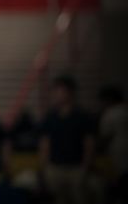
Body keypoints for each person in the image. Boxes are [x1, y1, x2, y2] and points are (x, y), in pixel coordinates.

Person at [39, 75, 98, 204]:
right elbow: (45, 143)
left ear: (70, 92)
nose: (57, 95)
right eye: (55, 91)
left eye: (60, 91)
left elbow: (89, 143)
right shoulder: (51, 116)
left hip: (76, 168)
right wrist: (44, 166)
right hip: (55, 167)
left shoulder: (83, 116)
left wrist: (86, 166)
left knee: (80, 198)